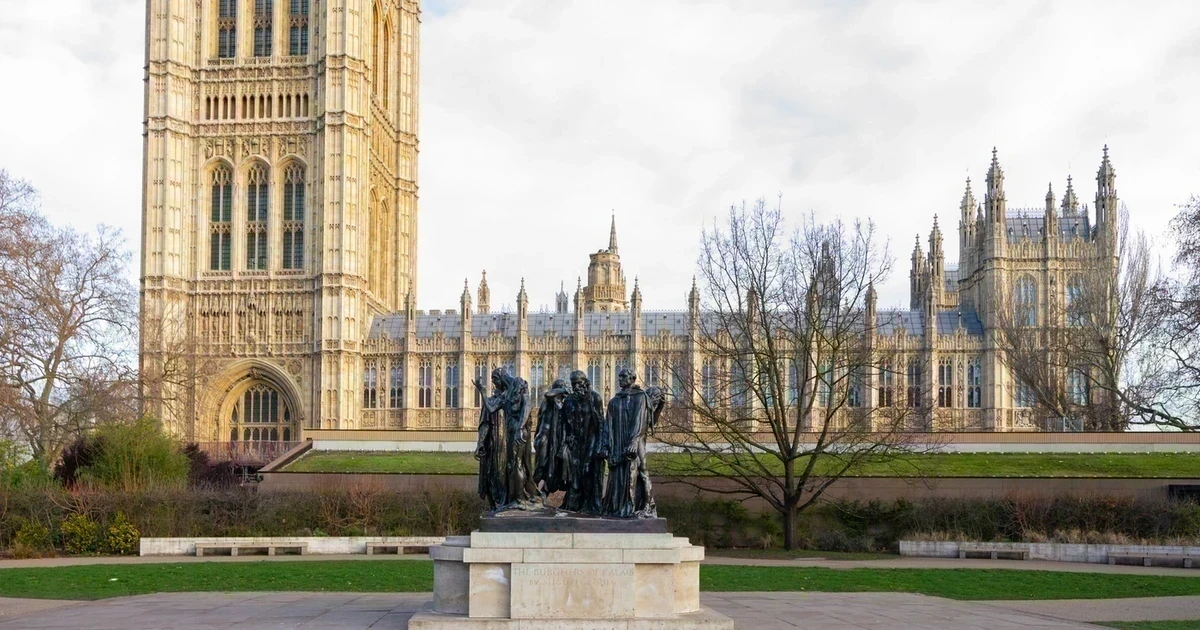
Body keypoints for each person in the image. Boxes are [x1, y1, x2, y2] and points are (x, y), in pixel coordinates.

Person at [601, 368, 664, 518]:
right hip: (617, 444)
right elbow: (607, 425)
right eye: (619, 376)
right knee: (617, 474)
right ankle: (618, 507)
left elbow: (640, 421)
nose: (620, 379)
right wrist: (605, 446)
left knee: (641, 472)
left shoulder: (640, 397)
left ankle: (646, 506)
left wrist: (634, 441)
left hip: (635, 442)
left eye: (623, 376)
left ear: (632, 378)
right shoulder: (614, 402)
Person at [473, 368, 538, 511]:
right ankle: (516, 497)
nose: (494, 384)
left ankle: (520, 500)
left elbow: (527, 405)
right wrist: (481, 391)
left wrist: (520, 428)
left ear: (499, 377)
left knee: (517, 465)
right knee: (511, 466)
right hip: (512, 432)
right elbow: (491, 408)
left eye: (494, 380)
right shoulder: (504, 395)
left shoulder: (518, 384)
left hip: (519, 431)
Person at [565, 370, 607, 513]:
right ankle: (574, 505)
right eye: (573, 384)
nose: (576, 387)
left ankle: (591, 505)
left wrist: (601, 446)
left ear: (585, 383)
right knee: (575, 476)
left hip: (592, 441)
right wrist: (569, 435)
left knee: (589, 472)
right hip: (576, 444)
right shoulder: (570, 400)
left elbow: (601, 424)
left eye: (578, 383)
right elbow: (564, 423)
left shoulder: (595, 399)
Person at [533, 378, 572, 499]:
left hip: (557, 439)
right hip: (545, 438)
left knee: (557, 466)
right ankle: (533, 490)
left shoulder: (563, 404)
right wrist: (564, 389)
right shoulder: (548, 401)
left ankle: (546, 490)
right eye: (561, 388)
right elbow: (548, 394)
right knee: (541, 464)